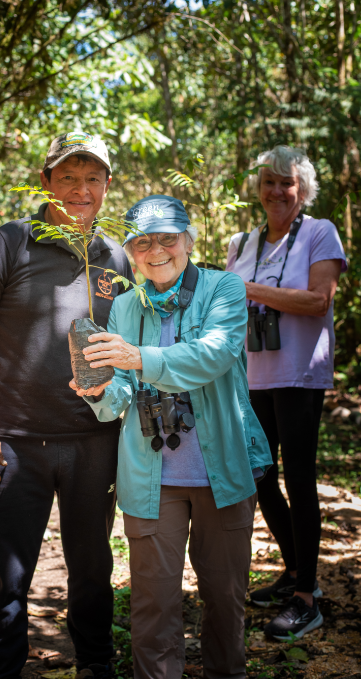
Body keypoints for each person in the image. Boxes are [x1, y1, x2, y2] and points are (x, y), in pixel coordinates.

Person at [0, 131, 135, 679]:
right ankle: (2, 667)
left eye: (93, 178)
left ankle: (96, 663)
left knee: (94, 567)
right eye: (69, 177)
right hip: (14, 444)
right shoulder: (10, 242)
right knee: (9, 573)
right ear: (47, 179)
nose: (81, 189)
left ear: (106, 185)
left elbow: (127, 345)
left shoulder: (116, 256)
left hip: (94, 441)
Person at [70, 195, 272, 679]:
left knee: (225, 601)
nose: (156, 250)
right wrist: (96, 390)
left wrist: (136, 358)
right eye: (142, 242)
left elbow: (214, 356)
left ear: (188, 240)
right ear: (131, 252)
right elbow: (119, 394)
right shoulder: (123, 306)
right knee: (153, 609)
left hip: (221, 472)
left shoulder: (223, 288)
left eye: (167, 238)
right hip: (150, 480)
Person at [226, 146, 347, 641]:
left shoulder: (320, 232)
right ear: (257, 188)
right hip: (253, 375)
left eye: (287, 183)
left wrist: (248, 290)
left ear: (303, 189)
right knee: (259, 475)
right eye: (269, 182)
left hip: (299, 374)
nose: (277, 191)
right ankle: (294, 571)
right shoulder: (242, 242)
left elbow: (318, 301)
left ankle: (307, 598)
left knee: (298, 477)